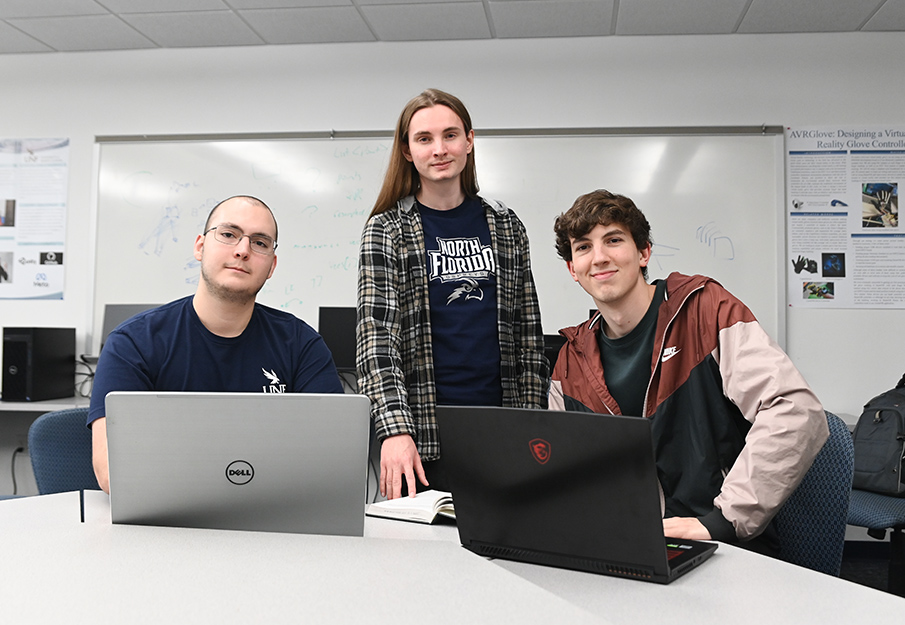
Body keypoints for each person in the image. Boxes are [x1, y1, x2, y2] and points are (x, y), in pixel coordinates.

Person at [550, 189, 829, 553]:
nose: (599, 257)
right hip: (626, 549)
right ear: (573, 268)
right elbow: (565, 470)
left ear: (644, 251)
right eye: (583, 247)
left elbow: (796, 410)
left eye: (614, 240)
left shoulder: (705, 310)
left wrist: (724, 520)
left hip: (718, 544)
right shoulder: (570, 360)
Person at [357, 89, 548, 500]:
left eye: (450, 135)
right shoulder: (387, 230)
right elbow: (376, 343)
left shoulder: (505, 225)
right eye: (424, 138)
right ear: (407, 151)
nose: (439, 149)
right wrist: (395, 431)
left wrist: (532, 428)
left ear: (469, 141)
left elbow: (529, 335)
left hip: (504, 433)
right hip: (422, 437)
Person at [89, 195, 343, 493]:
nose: (243, 250)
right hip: (165, 526)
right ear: (200, 246)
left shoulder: (302, 345)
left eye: (260, 242)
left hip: (270, 521)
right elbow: (111, 472)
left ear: (272, 266)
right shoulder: (133, 343)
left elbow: (333, 463)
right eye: (228, 234)